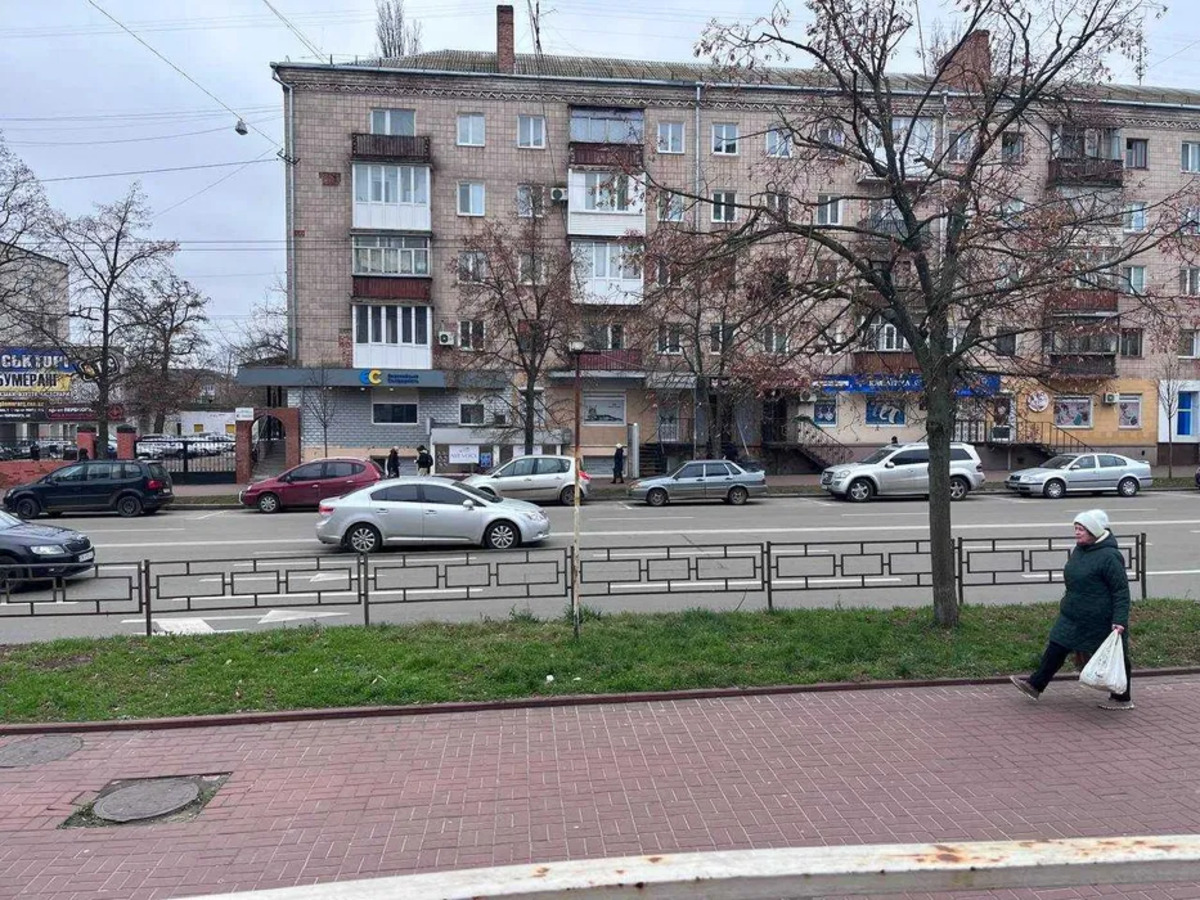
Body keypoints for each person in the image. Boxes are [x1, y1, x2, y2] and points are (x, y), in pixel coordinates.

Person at [1011, 509, 1133, 710]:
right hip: (1073, 614)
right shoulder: (1080, 550)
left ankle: (1122, 697)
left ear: (1094, 531)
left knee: (1116, 656)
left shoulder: (1110, 556)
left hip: (1100, 619)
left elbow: (1121, 591)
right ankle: (1035, 685)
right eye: (1076, 528)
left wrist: (1120, 620)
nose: (1076, 532)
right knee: (1057, 645)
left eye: (1081, 529)